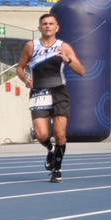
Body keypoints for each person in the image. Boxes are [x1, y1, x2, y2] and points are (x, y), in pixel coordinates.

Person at [17, 13, 86, 183]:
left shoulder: (64, 46)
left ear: (57, 27)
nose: (47, 26)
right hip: (39, 92)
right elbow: (20, 68)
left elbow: (81, 71)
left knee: (60, 134)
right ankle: (50, 149)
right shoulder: (31, 46)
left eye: (51, 23)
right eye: (44, 24)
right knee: (41, 135)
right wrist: (25, 78)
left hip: (59, 92)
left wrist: (67, 60)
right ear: (39, 28)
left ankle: (57, 169)